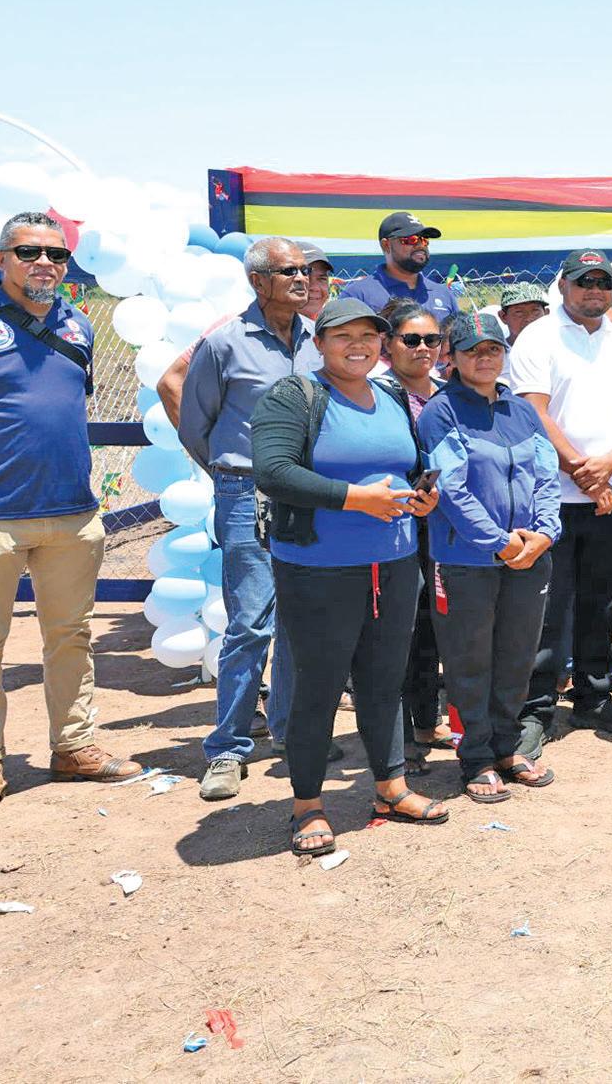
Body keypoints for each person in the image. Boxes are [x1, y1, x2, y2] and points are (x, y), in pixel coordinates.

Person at [250, 297, 447, 856]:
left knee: (385, 680)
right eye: (343, 336)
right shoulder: (294, 396)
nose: (357, 345)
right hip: (318, 568)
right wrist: (357, 498)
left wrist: (422, 497)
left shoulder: (391, 396)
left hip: (394, 562)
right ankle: (307, 805)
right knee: (318, 685)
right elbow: (274, 472)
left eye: (368, 335)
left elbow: (407, 467)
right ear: (319, 343)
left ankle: (390, 788)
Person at [0, 212, 142, 822]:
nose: (44, 263)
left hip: (72, 514)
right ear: (2, 259)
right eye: (29, 252)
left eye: (56, 254)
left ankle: (73, 747)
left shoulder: (77, 322)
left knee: (71, 636)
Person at [178, 235, 319, 801]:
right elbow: (196, 425)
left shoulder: (319, 340)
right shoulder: (223, 344)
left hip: (309, 496)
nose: (302, 279)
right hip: (247, 492)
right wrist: (232, 476)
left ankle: (287, 731)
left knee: (300, 620)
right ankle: (229, 748)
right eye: (289, 271)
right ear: (258, 282)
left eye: (305, 270)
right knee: (251, 622)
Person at [507, 249, 612, 748]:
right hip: (551, 496)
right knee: (547, 606)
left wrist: (608, 466)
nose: (594, 290)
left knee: (601, 600)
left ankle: (594, 697)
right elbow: (533, 412)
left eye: (603, 282)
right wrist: (582, 470)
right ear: (563, 286)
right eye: (584, 281)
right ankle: (535, 709)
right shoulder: (538, 336)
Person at [417, 310, 561, 803]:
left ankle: (507, 746)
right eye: (473, 351)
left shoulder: (521, 410)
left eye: (494, 349)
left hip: (530, 556)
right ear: (451, 357)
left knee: (518, 655)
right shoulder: (441, 412)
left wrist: (544, 534)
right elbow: (452, 490)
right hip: (467, 561)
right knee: (469, 659)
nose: (485, 358)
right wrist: (500, 542)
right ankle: (476, 756)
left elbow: (546, 476)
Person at [377, 300, 453, 767]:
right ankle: (398, 739)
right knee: (397, 631)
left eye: (432, 339)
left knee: (431, 625)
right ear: (389, 345)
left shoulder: (448, 392)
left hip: (442, 526)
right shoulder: (377, 394)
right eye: (411, 339)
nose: (423, 348)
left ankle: (426, 720)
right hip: (391, 526)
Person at [154, 238, 332, 425]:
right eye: (290, 272)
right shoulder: (234, 326)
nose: (309, 285)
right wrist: (203, 442)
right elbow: (171, 381)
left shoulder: (329, 329)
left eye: (319, 278)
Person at [340, 211, 460, 319]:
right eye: (411, 239)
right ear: (386, 245)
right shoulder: (358, 295)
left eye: (424, 240)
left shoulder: (443, 294)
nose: (420, 245)